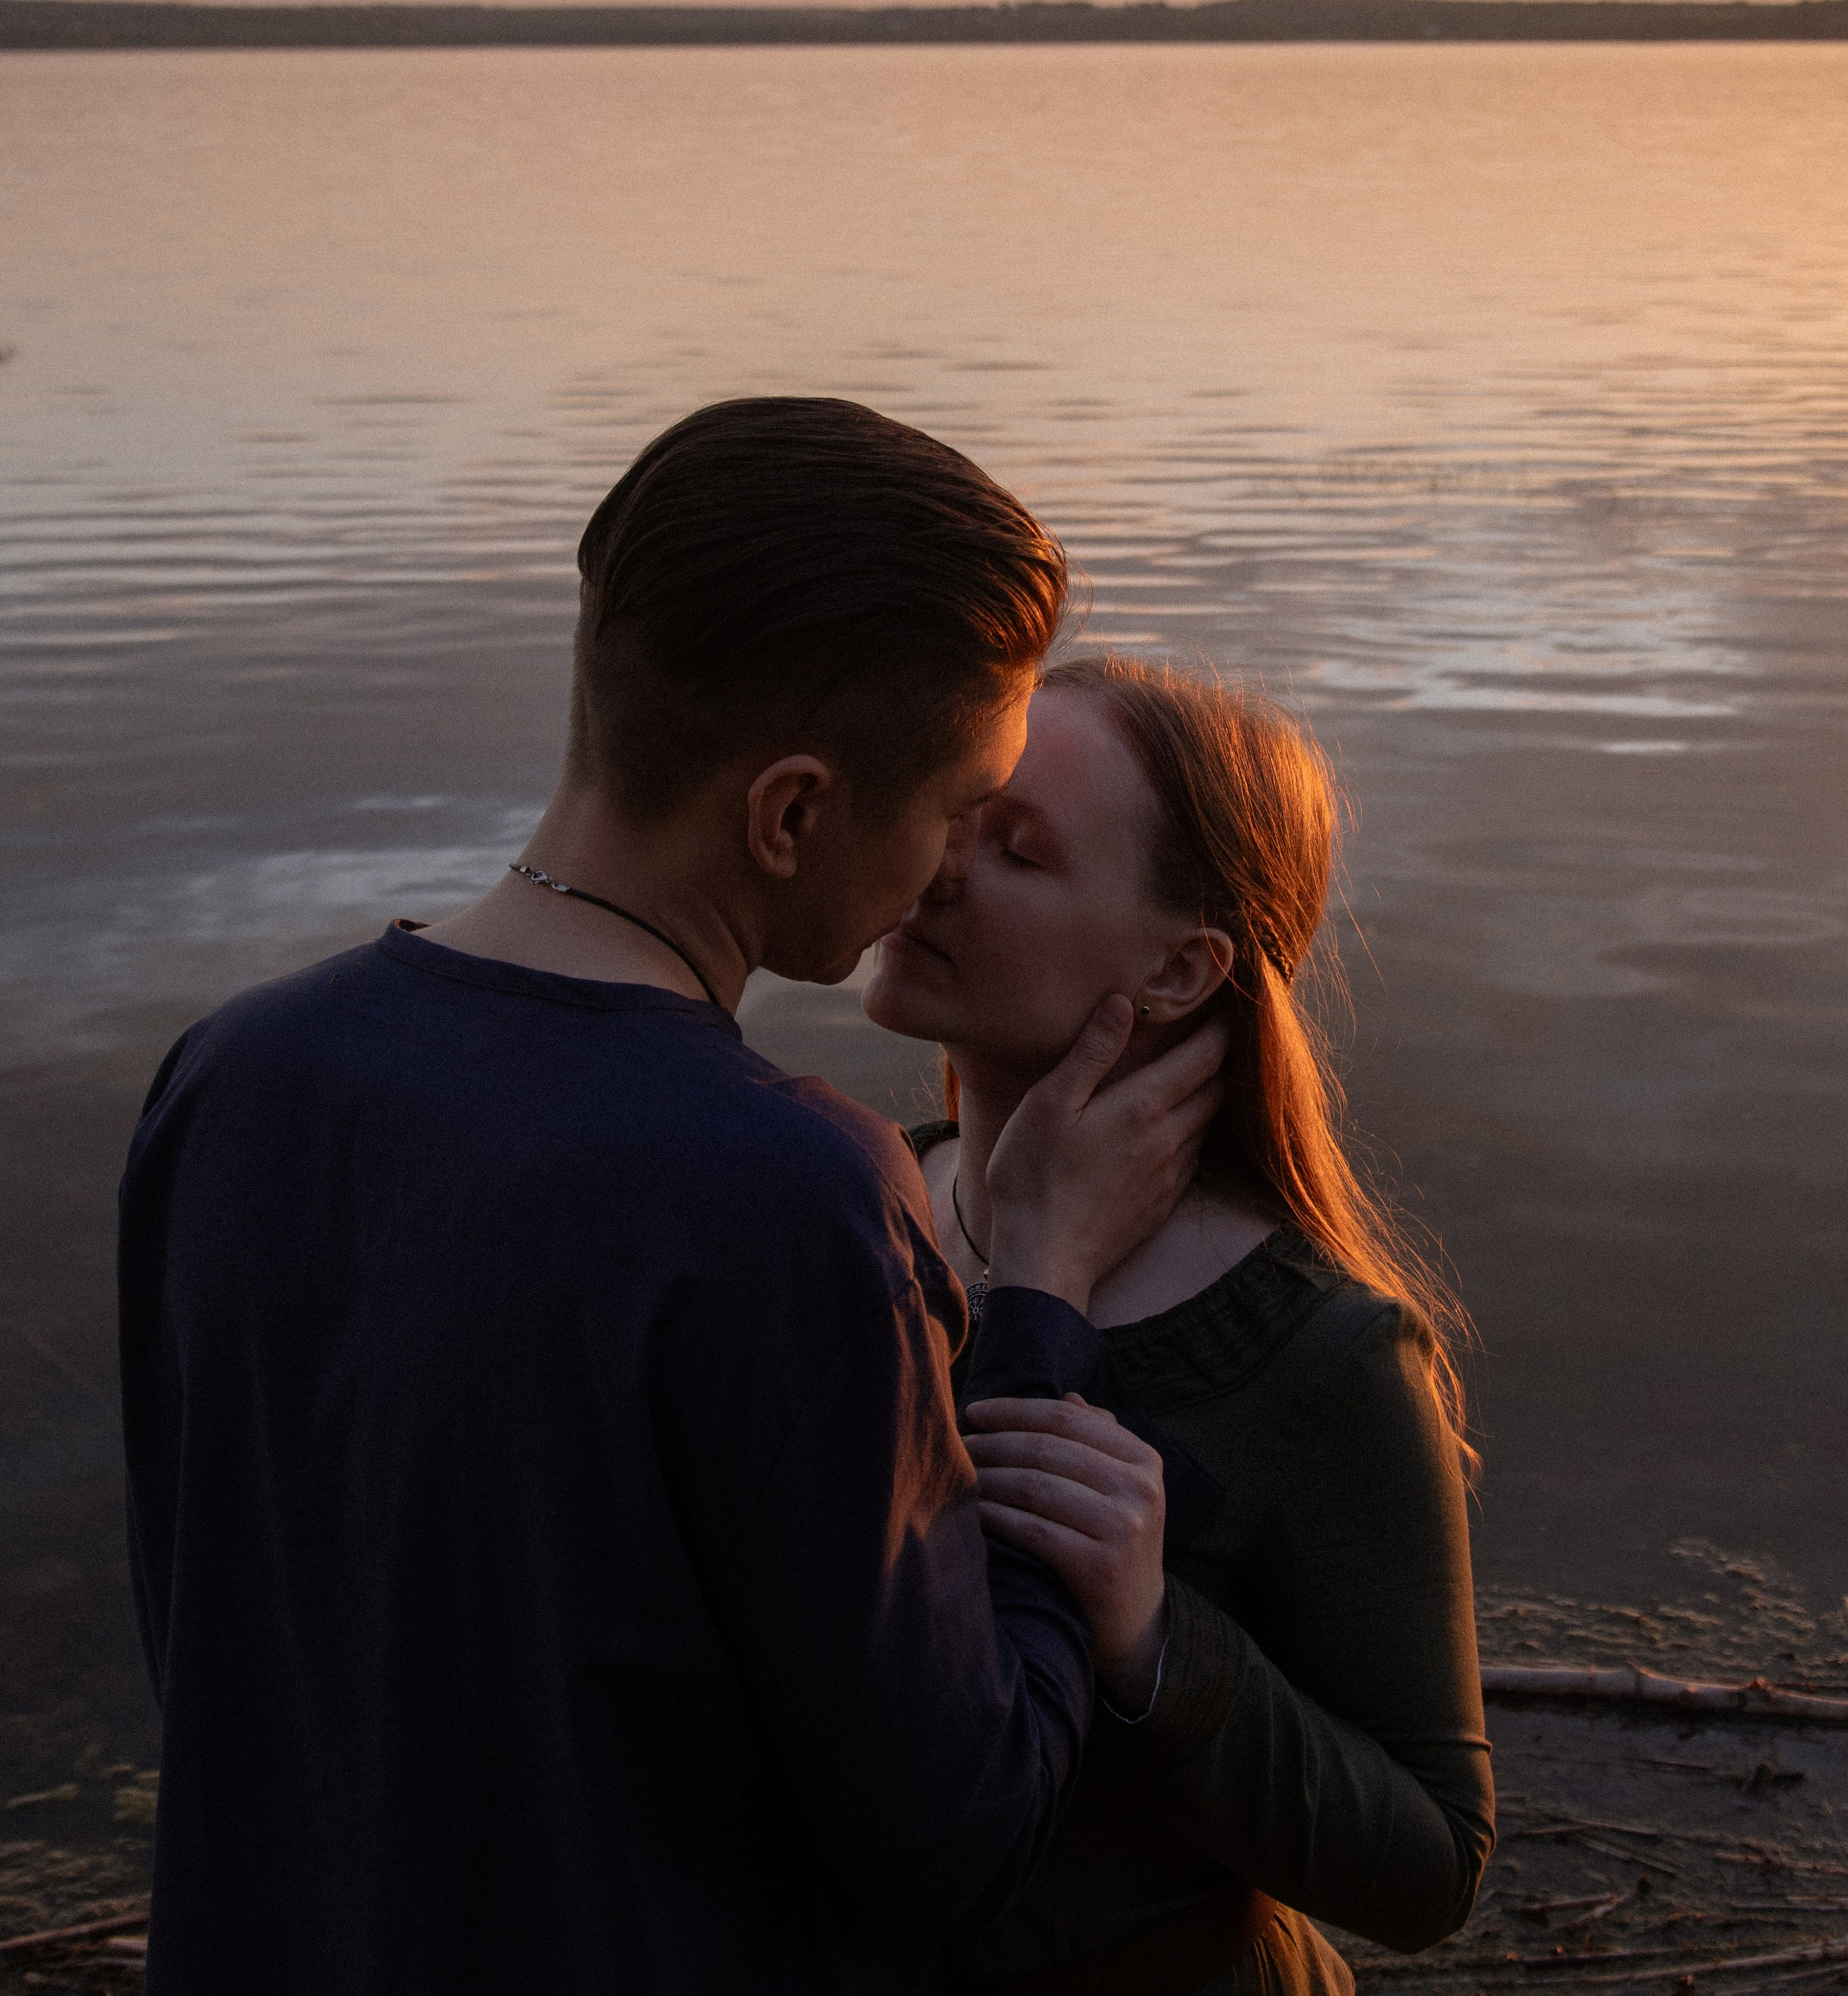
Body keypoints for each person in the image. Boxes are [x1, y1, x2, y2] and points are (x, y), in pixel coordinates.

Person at [118, 401, 1226, 1996]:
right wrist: (1037, 1308)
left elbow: (223, 1639)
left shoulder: (229, 1076)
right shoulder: (779, 1197)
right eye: (945, 811)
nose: (939, 874)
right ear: (790, 813)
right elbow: (956, 1827)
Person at [865, 654, 1496, 1996]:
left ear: (1179, 968)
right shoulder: (849, 1212)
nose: (937, 865)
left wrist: (1157, 1643)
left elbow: (1433, 1866)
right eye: (955, 811)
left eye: (1019, 853)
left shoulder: (1321, 1355)